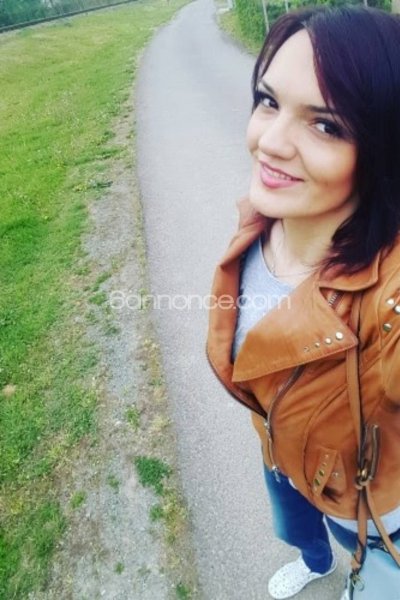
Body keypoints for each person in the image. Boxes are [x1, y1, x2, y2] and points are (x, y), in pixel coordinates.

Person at [206, 6, 400, 599]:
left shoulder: (389, 294)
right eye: (268, 101)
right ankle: (315, 563)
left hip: (362, 503)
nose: (269, 142)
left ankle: (356, 572)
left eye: (326, 125)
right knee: (294, 524)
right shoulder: (261, 221)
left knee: (354, 548)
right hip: (280, 447)